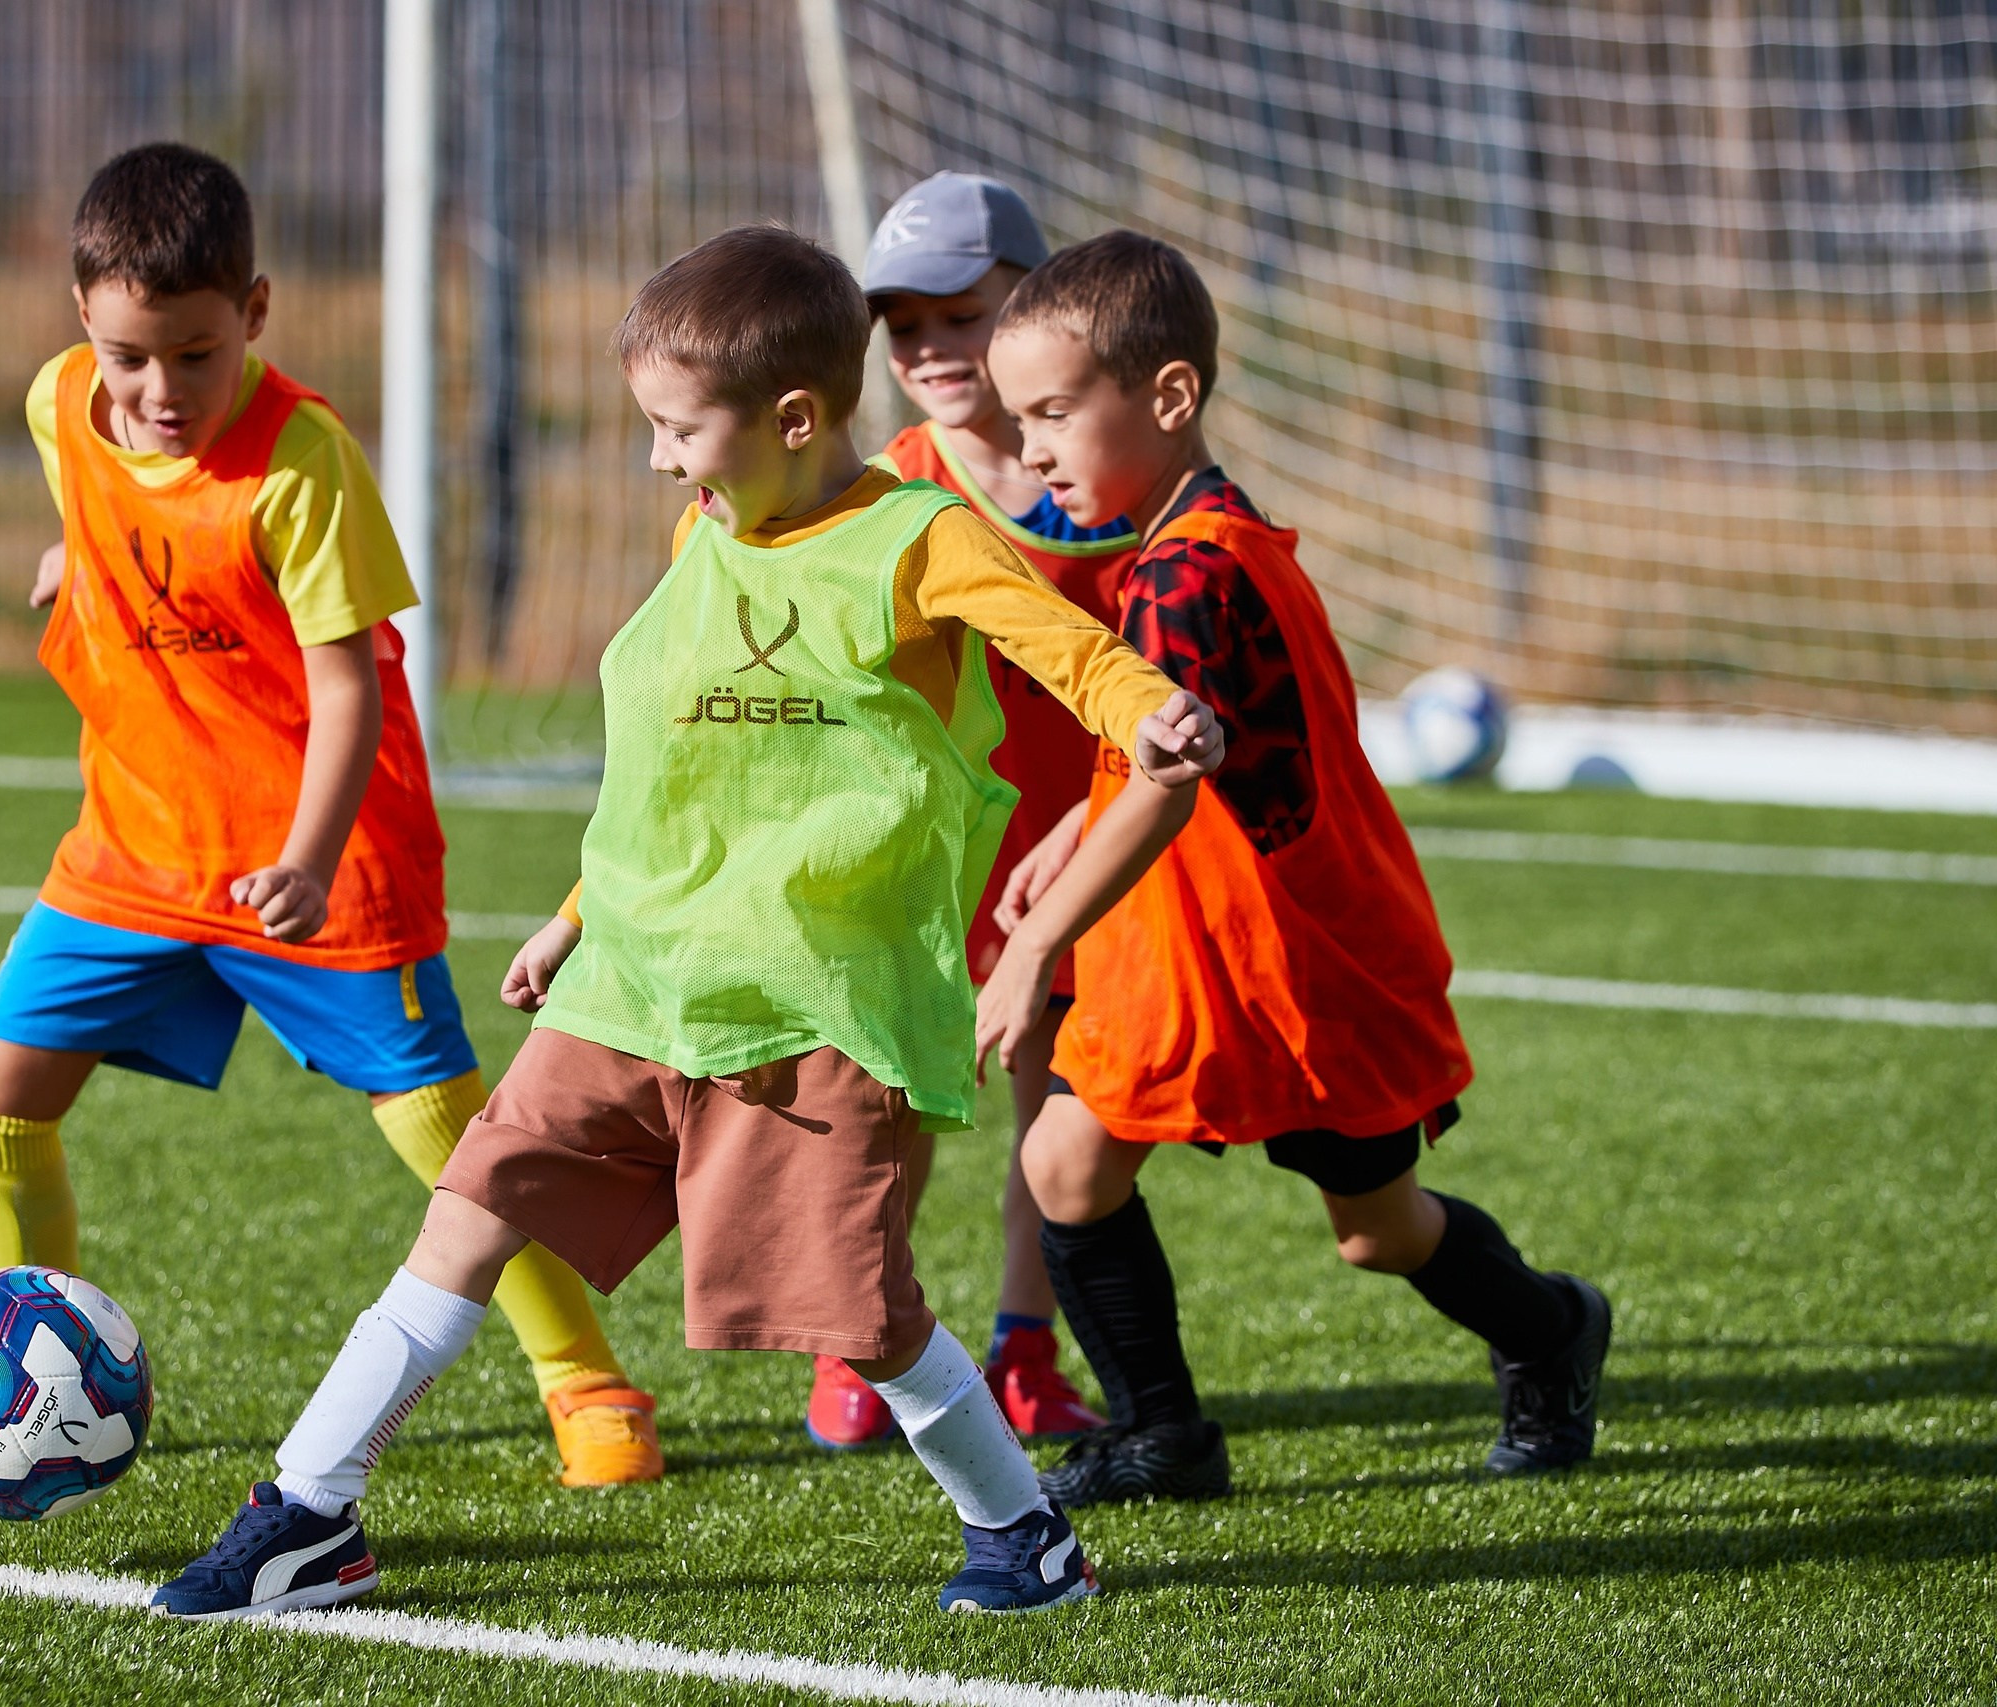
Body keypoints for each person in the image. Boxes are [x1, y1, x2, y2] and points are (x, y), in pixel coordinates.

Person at [145, 225, 1227, 1622]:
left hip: (811, 1005)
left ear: (794, 419)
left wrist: (1153, 712)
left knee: (863, 1315)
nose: (661, 461)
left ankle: (1023, 1533)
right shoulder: (700, 537)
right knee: (466, 1215)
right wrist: (575, 916)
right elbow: (676, 778)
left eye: (680, 429)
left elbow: (1072, 652)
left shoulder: (919, 538)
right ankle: (308, 1511)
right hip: (633, 981)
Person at [0, 143, 662, 1491]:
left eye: (195, 354)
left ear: (256, 312)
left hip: (322, 863)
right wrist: (74, 556)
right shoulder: (59, 404)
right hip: (136, 843)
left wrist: (305, 857)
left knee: (441, 1132)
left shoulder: (302, 464)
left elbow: (350, 686)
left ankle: (585, 1378)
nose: (159, 390)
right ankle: (17, 1376)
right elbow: (111, 502)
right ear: (80, 320)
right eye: (128, 356)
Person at [975, 231, 1612, 1508]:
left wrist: (1036, 946)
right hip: (1186, 956)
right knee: (1065, 1165)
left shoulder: (1193, 568)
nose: (1029, 448)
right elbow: (1169, 743)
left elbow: (1173, 776)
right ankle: (1162, 1434)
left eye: (1051, 412)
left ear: (1168, 395)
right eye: (1018, 418)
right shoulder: (1185, 546)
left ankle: (1552, 1328)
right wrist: (1069, 830)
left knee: (1378, 1231)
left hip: (1304, 959)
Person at [798, 174, 1137, 1451]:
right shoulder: (882, 485)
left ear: (1035, 308)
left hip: (1071, 855)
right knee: (888, 1107)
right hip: (927, 861)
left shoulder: (1113, 480)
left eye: (962, 316)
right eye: (905, 327)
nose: (932, 350)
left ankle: (1025, 1352)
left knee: (1052, 1114)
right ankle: (860, 1340)